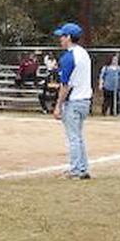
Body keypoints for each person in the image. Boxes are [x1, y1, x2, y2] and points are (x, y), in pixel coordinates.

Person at [53, 22, 92, 180]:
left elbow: (65, 85)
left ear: (69, 37)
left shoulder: (69, 57)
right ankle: (82, 168)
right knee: (78, 136)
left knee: (73, 137)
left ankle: (76, 169)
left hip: (74, 100)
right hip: (85, 99)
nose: (60, 39)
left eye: (62, 36)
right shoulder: (83, 53)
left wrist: (58, 106)